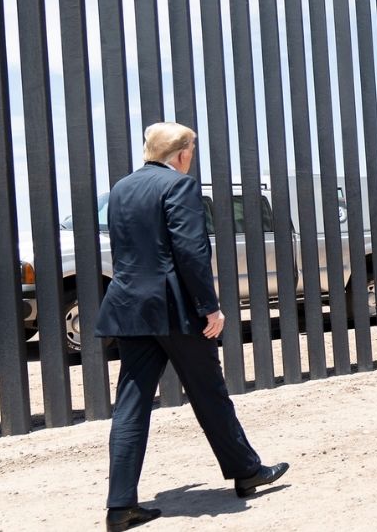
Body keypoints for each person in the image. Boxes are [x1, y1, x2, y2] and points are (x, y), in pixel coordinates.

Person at [97, 123, 288, 531]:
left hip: (130, 308)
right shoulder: (180, 188)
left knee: (131, 403)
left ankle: (120, 506)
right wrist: (210, 308)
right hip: (175, 309)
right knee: (209, 393)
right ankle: (247, 471)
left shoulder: (121, 188)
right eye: (193, 150)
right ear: (182, 153)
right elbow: (191, 251)